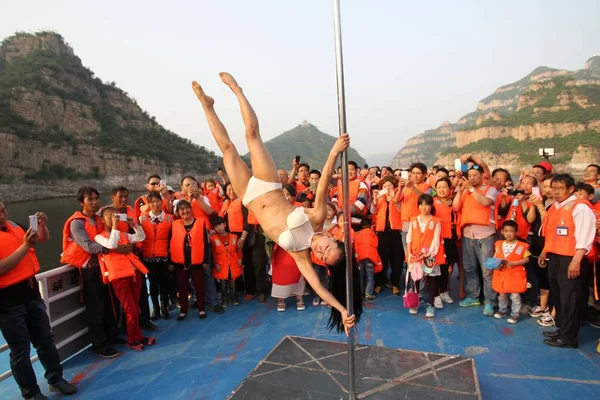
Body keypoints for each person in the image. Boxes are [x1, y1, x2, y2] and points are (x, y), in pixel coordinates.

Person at [191, 73, 359, 333]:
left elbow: (319, 288)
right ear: (332, 237)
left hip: (248, 196)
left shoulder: (301, 256)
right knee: (252, 134)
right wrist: (334, 152)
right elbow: (324, 182)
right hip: (269, 185)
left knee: (227, 149)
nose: (322, 251)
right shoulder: (317, 218)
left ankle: (206, 105)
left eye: (324, 256)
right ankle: (237, 90)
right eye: (328, 247)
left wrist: (342, 311)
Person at [0, 199, 78, 399]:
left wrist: (42, 227)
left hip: (32, 293)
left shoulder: (15, 226)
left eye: (3, 210)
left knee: (45, 340)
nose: (2, 215)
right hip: (8, 302)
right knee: (20, 350)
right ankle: (31, 392)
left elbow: (42, 239)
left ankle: (56, 379)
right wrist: (25, 246)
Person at [60, 187, 123, 358]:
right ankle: (99, 344)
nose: (95, 202)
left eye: (96, 198)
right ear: (82, 202)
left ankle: (112, 335)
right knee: (96, 308)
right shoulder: (77, 223)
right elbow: (88, 245)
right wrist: (115, 250)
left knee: (110, 303)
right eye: (90, 199)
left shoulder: (98, 219)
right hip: (89, 270)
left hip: (104, 267)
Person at [540, 174, 596, 348]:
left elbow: (585, 235)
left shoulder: (580, 208)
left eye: (560, 188)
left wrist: (576, 260)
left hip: (571, 258)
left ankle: (569, 337)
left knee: (569, 298)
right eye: (553, 188)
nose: (555, 192)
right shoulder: (554, 207)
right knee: (558, 296)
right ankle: (562, 329)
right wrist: (544, 252)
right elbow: (551, 233)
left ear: (571, 189)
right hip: (555, 256)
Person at [94, 208, 156, 351]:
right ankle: (131, 340)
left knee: (135, 309)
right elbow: (112, 245)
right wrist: (115, 226)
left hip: (133, 275)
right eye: (110, 216)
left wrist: (134, 224)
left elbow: (140, 237)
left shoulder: (123, 234)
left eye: (115, 216)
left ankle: (138, 337)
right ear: (102, 220)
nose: (113, 218)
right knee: (131, 310)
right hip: (119, 278)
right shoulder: (99, 237)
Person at [453, 164, 498, 316]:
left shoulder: (490, 189)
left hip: (485, 234)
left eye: (475, 175)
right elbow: (455, 207)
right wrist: (460, 191)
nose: (471, 178)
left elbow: (486, 202)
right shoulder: (465, 190)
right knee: (469, 268)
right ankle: (473, 296)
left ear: (482, 176)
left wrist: (471, 190)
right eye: (470, 175)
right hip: (468, 233)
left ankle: (490, 302)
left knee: (487, 271)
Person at [406, 194, 445, 318]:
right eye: (421, 204)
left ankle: (430, 305)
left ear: (431, 206)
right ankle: (414, 302)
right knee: (416, 279)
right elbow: (409, 237)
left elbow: (436, 239)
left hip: (430, 256)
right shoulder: (413, 220)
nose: (424, 207)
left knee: (432, 279)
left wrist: (430, 253)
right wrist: (409, 253)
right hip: (416, 255)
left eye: (427, 204)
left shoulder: (436, 221)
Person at [170, 200, 210, 320]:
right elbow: (170, 243)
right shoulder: (174, 224)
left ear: (191, 209)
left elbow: (206, 243)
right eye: (181, 209)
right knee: (182, 287)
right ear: (178, 212)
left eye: (187, 208)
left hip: (197, 260)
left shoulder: (200, 222)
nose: (185, 211)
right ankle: (183, 310)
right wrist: (170, 262)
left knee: (199, 286)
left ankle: (201, 309)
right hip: (180, 261)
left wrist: (206, 260)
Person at [139, 191, 173, 320]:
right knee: (153, 284)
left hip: (164, 256)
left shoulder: (170, 219)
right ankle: (155, 308)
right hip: (148, 257)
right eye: (152, 201)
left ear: (161, 201)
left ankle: (164, 306)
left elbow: (172, 240)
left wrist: (171, 261)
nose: (155, 204)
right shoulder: (142, 218)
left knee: (164, 283)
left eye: (157, 201)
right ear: (149, 203)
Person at [492, 220, 530, 324]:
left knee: (515, 296)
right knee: (502, 294)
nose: (508, 233)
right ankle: (502, 310)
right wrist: (494, 263)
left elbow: (526, 259)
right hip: (502, 275)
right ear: (502, 232)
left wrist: (514, 263)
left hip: (515, 276)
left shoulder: (522, 245)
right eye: (506, 231)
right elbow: (495, 256)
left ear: (516, 232)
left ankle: (515, 314)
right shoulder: (499, 244)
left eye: (511, 231)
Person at [372, 176, 404, 295]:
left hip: (396, 233)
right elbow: (373, 212)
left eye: (390, 186)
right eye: (385, 186)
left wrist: (393, 198)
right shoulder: (379, 198)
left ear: (394, 187)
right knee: (382, 258)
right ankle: (380, 282)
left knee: (397, 258)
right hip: (382, 232)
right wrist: (374, 201)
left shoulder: (399, 197)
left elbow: (401, 210)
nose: (387, 188)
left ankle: (395, 283)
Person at [210, 216, 243, 307]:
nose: (219, 228)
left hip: (233, 263)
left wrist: (240, 258)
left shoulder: (234, 237)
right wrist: (215, 263)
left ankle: (234, 297)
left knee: (233, 282)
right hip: (221, 264)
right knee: (223, 284)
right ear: (214, 228)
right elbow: (213, 253)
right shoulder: (213, 239)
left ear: (224, 224)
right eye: (216, 226)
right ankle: (224, 299)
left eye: (220, 225)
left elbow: (238, 249)